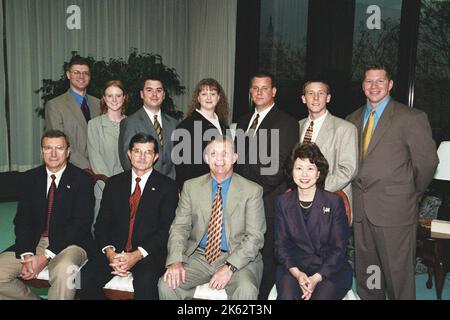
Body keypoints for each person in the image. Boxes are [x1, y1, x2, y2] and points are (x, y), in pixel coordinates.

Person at [346, 64, 439, 300]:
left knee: (399, 278)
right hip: (361, 210)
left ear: (390, 85)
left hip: (396, 211)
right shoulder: (352, 120)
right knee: (369, 275)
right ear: (362, 86)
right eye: (369, 81)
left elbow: (427, 163)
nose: (374, 86)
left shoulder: (411, 117)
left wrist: (410, 193)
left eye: (380, 81)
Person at [158, 136, 266, 300]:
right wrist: (175, 261)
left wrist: (230, 267)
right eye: (213, 153)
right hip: (199, 256)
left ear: (235, 158)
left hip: (237, 256)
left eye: (225, 153)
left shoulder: (252, 190)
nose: (220, 159)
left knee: (246, 289)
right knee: (166, 285)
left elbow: (255, 237)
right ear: (206, 158)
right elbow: (179, 227)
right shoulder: (191, 187)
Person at [80, 133, 178, 300]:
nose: (142, 157)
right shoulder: (114, 183)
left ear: (155, 157)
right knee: (81, 279)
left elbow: (165, 230)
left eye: (148, 152)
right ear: (129, 154)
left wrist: (136, 255)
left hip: (148, 254)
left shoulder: (167, 187)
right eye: (137, 151)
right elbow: (102, 224)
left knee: (146, 284)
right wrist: (110, 252)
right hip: (115, 252)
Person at [0, 130, 94, 300]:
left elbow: (81, 225)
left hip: (72, 244)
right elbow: (23, 220)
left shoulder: (82, 180)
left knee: (66, 271)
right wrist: (27, 254)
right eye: (48, 148)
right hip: (36, 242)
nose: (53, 154)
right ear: (41, 151)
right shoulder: (30, 178)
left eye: (59, 148)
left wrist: (45, 256)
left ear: (68, 151)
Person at [235, 72, 299, 299]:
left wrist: (248, 193)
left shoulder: (287, 122)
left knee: (268, 255)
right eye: (255, 88)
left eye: (264, 88)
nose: (259, 92)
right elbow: (238, 162)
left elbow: (278, 167)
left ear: (274, 92)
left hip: (268, 201)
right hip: (241, 202)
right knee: (244, 252)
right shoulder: (242, 121)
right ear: (251, 92)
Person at [274, 143, 352, 300]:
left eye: (310, 168)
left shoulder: (334, 203)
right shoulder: (282, 202)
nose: (304, 174)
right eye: (299, 168)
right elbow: (280, 247)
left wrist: (316, 277)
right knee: (287, 296)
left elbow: (339, 249)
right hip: (294, 268)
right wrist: (298, 274)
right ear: (292, 171)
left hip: (329, 270)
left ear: (318, 173)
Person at [299, 79, 358, 212]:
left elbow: (348, 170)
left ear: (328, 98)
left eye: (321, 93)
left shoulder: (345, 128)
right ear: (303, 98)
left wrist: (314, 187)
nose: (315, 98)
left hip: (330, 201)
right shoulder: (296, 126)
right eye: (310, 93)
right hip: (299, 201)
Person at [45, 56, 100, 170]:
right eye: (76, 72)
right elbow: (59, 144)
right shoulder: (55, 105)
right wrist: (88, 167)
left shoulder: (99, 104)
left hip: (101, 170)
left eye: (86, 73)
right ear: (68, 75)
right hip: (72, 170)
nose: (81, 76)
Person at [173, 78, 229, 189]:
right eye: (204, 94)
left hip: (222, 185)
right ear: (198, 98)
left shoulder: (224, 125)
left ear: (218, 97)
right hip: (198, 188)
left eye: (212, 94)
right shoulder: (186, 126)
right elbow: (182, 167)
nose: (209, 98)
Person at [118, 78, 177, 179]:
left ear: (163, 95)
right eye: (149, 90)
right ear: (142, 94)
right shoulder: (130, 123)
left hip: (170, 185)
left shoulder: (173, 123)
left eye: (158, 90)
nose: (154, 94)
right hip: (143, 185)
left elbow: (177, 160)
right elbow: (127, 161)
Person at [87, 80, 127, 219]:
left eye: (118, 95)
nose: (114, 100)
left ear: (124, 97)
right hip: (104, 188)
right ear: (104, 98)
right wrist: (112, 188)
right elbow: (95, 159)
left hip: (129, 189)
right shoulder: (94, 125)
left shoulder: (131, 123)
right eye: (110, 96)